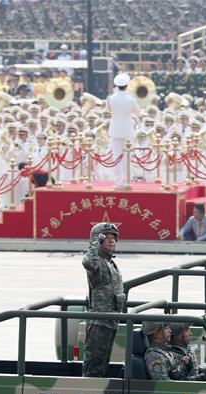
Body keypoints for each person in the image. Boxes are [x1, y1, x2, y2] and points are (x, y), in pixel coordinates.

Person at [82, 222, 125, 378]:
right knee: (93, 367)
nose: (111, 240)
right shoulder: (96, 262)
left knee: (102, 364)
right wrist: (94, 243)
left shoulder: (110, 262)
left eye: (113, 237)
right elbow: (87, 262)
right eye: (106, 237)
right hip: (99, 322)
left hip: (111, 321)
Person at [107, 72, 139, 189]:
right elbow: (137, 112)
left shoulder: (110, 98)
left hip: (115, 129)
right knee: (127, 157)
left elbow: (109, 110)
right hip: (127, 129)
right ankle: (126, 182)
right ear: (127, 85)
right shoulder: (131, 99)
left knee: (116, 157)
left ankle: (118, 183)